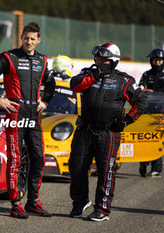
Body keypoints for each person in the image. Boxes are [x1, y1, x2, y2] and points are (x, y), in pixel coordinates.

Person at [0, 22, 55, 219]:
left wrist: (45, 101)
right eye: (25, 38)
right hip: (15, 114)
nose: (28, 42)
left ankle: (33, 202)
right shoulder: (8, 57)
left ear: (39, 40)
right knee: (15, 160)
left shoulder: (43, 61)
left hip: (34, 115)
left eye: (32, 39)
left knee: (38, 158)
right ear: (21, 37)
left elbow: (51, 83)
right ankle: (15, 204)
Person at [69, 43, 147, 221]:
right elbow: (74, 86)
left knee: (106, 171)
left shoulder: (123, 80)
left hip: (109, 133)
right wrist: (94, 76)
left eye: (103, 58)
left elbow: (141, 101)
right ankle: (80, 203)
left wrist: (127, 120)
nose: (98, 60)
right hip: (84, 130)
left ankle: (102, 209)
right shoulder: (88, 73)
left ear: (112, 61)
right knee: (77, 167)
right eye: (97, 57)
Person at [138, 48, 164, 177]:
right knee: (144, 136)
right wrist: (144, 90)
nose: (157, 63)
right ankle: (143, 161)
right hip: (147, 110)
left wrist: (154, 92)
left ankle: (157, 167)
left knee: (157, 137)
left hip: (161, 111)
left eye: (159, 60)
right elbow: (140, 87)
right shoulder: (146, 74)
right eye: (155, 60)